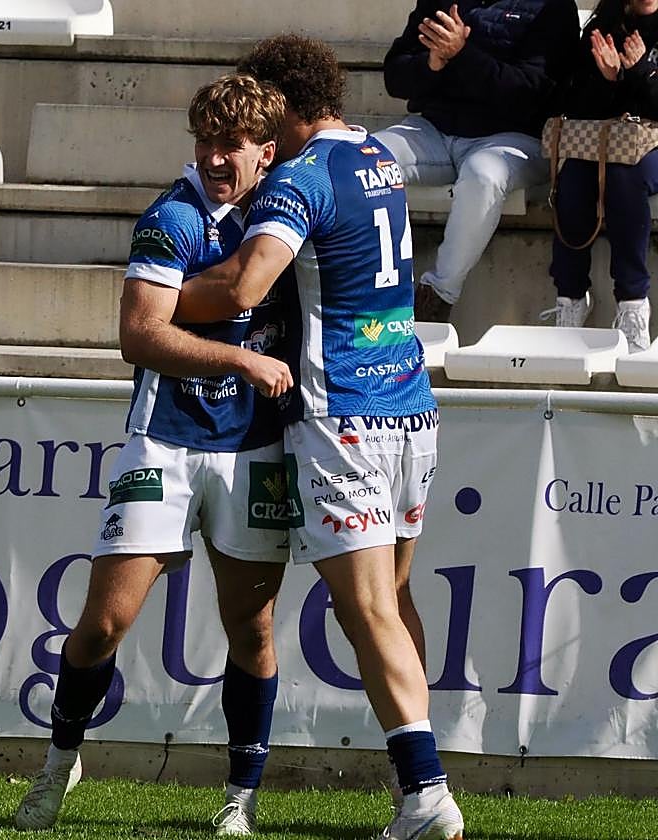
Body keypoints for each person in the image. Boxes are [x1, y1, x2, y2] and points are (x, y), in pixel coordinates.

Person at [182, 36, 463, 840]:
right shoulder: (378, 156)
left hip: (343, 418)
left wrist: (157, 297)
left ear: (285, 104)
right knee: (393, 603)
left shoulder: (300, 179)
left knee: (367, 608)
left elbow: (245, 285)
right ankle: (422, 779)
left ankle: (425, 792)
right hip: (411, 408)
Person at [13, 73, 294, 837]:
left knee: (254, 629)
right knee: (105, 623)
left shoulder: (287, 217)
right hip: (163, 440)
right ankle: (59, 760)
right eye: (203, 142)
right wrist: (238, 361)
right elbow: (139, 335)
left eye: (227, 145)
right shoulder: (171, 217)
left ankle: (242, 795)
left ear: (265, 153)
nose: (211, 158)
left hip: (255, 448)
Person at [376, 0, 581, 324]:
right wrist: (432, 63)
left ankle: (437, 296)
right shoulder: (441, 1)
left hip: (515, 138)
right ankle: (369, 292)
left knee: (483, 175)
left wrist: (462, 55)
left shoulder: (551, 7)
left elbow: (533, 92)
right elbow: (395, 77)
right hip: (435, 131)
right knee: (365, 160)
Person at [545, 0, 658, 352]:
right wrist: (610, 80)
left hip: (650, 146)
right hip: (610, 143)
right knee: (575, 177)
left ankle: (633, 304)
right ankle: (571, 298)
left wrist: (639, 72)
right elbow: (576, 104)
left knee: (624, 177)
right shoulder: (605, 23)